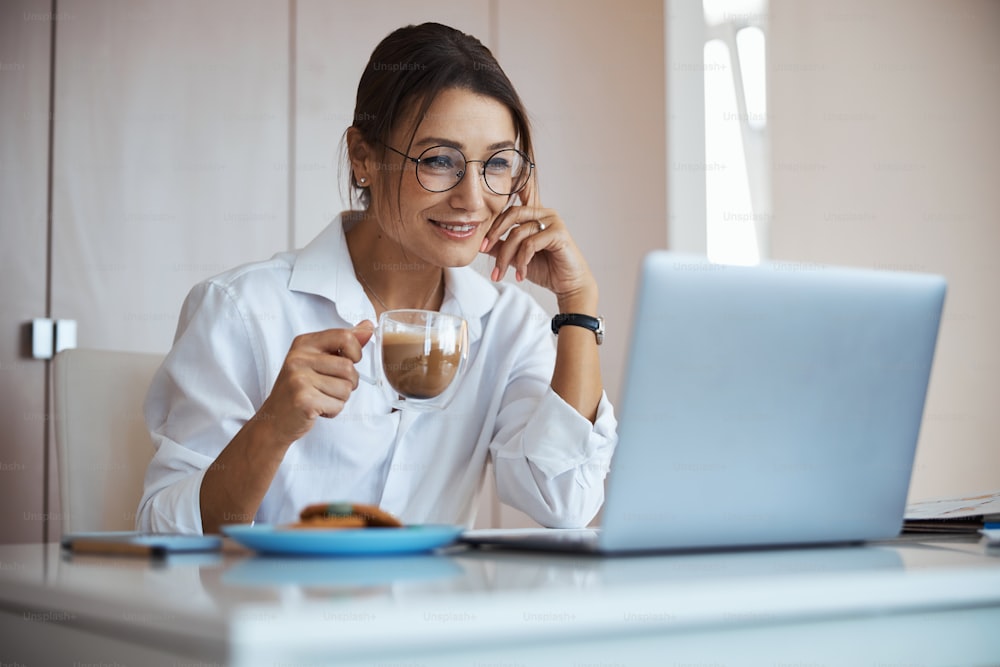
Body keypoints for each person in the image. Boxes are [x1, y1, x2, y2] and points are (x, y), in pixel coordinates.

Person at [137, 22, 618, 535]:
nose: (473, 199)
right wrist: (271, 427)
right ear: (363, 158)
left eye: (497, 164)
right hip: (269, 610)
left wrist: (577, 307)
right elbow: (162, 529)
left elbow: (565, 502)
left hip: (432, 615)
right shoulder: (239, 309)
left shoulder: (508, 325)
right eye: (438, 160)